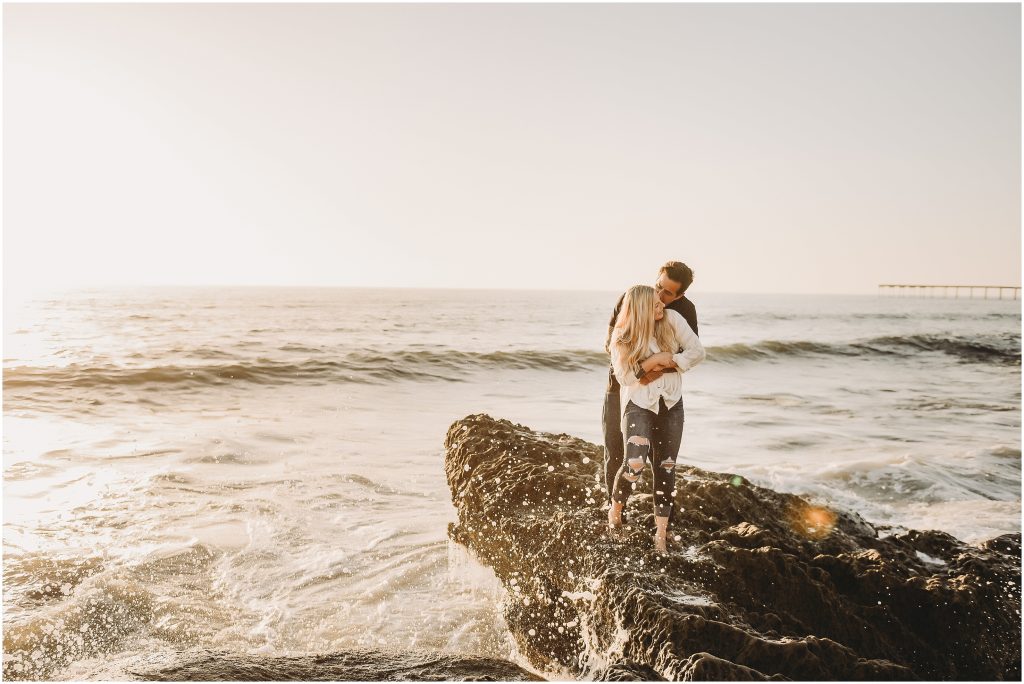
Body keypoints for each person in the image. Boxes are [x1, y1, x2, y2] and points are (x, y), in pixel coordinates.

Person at [606, 284, 705, 552]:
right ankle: (615, 512)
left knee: (667, 466)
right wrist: (653, 362)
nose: (663, 305)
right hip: (639, 404)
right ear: (640, 310)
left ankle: (660, 535)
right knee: (634, 464)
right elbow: (624, 377)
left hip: (672, 404)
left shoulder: (672, 320)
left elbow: (697, 352)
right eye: (656, 304)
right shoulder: (622, 335)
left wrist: (668, 360)